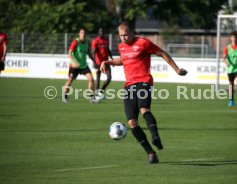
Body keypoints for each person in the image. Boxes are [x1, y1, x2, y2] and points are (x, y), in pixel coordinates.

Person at [100, 21, 187, 164]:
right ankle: (151, 154)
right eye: (121, 35)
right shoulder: (121, 46)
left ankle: (155, 136)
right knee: (132, 122)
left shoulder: (143, 43)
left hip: (144, 81)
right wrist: (107, 62)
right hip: (129, 86)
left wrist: (177, 70)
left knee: (144, 109)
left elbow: (162, 53)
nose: (124, 38)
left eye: (126, 35)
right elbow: (123, 59)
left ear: (133, 32)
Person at [63, 28, 99, 103]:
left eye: (85, 33)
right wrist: (74, 62)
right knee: (69, 81)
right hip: (74, 66)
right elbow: (69, 53)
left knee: (91, 79)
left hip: (83, 65)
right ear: (79, 34)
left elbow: (89, 53)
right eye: (82, 33)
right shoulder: (75, 42)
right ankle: (65, 96)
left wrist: (94, 61)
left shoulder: (86, 43)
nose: (83, 34)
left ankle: (92, 98)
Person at [223, 31, 237, 107]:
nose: (234, 39)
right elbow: (224, 58)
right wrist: (226, 63)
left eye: (235, 37)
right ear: (231, 38)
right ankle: (231, 100)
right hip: (230, 69)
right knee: (231, 85)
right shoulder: (227, 48)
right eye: (233, 37)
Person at [91, 28, 113, 96]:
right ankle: (97, 94)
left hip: (106, 62)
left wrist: (112, 59)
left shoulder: (106, 40)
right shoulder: (95, 41)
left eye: (103, 32)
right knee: (98, 77)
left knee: (109, 77)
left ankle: (101, 91)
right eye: (100, 32)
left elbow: (108, 50)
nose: (102, 33)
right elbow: (93, 52)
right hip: (98, 62)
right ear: (98, 33)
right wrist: (94, 61)